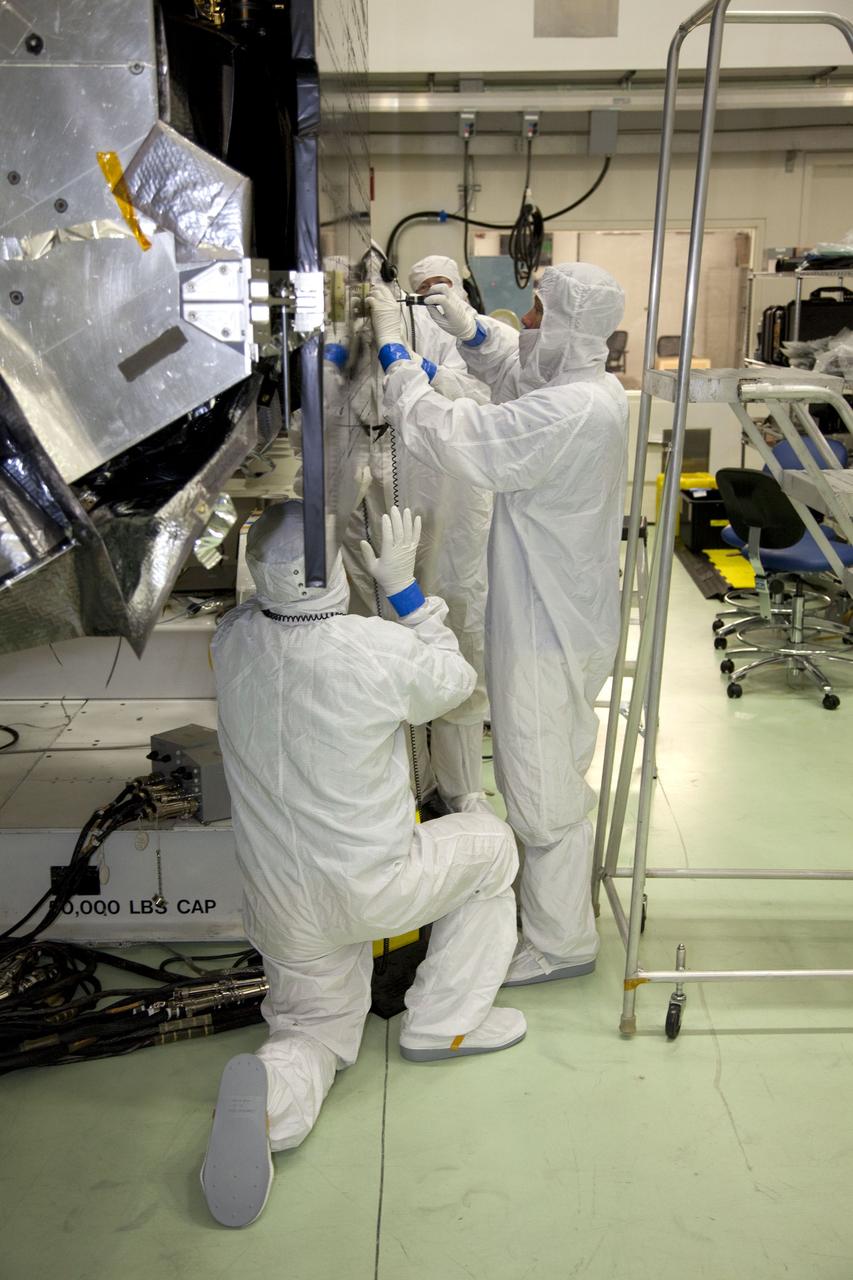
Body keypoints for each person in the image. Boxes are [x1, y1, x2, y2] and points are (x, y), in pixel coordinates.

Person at [203, 500, 523, 1228]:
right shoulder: (369, 648)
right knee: (489, 845)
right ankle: (444, 1023)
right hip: (372, 886)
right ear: (333, 571)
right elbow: (450, 683)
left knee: (312, 1028)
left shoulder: (234, 640)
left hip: (281, 903)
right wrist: (403, 588)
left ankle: (272, 1100)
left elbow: (255, 611)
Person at [369, 263, 629, 988]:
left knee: (540, 782)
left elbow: (462, 438)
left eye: (539, 314)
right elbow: (520, 370)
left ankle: (559, 942)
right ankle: (554, 911)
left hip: (548, 624)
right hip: (555, 608)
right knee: (543, 768)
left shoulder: (572, 410)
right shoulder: (585, 386)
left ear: (570, 328)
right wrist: (470, 331)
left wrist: (399, 364)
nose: (530, 323)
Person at [343, 255, 493, 815]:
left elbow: (481, 397)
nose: (430, 295)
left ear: (456, 288)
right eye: (421, 287)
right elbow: (355, 405)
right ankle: (411, 786)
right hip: (389, 498)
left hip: (457, 507)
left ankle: (461, 793)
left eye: (440, 287)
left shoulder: (462, 331)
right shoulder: (373, 323)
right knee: (392, 635)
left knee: (459, 637)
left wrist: (414, 364)